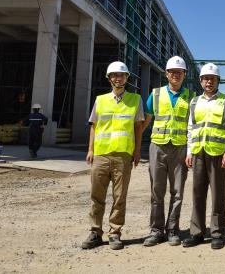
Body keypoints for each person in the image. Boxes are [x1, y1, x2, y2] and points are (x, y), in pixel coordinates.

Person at [81, 61, 144, 251]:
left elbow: (138, 127)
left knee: (119, 197)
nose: (118, 78)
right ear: (109, 78)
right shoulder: (100, 100)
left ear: (126, 78)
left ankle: (115, 232)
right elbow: (94, 126)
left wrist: (137, 151)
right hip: (101, 155)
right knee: (96, 195)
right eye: (114, 75)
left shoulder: (135, 99)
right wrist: (90, 149)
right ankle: (95, 231)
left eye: (122, 75)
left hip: (123, 156)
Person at [182, 63, 225, 250]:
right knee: (197, 193)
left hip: (217, 153)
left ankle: (217, 233)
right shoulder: (194, 102)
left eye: (212, 79)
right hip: (198, 152)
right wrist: (189, 151)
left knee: (217, 194)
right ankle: (196, 232)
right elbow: (191, 128)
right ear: (201, 81)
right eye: (205, 78)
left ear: (218, 81)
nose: (209, 82)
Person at [143, 56, 195, 247]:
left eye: (179, 72)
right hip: (158, 146)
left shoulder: (191, 97)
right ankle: (156, 230)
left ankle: (172, 229)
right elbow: (146, 121)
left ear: (184, 75)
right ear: (166, 74)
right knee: (157, 191)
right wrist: (135, 144)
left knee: (177, 192)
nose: (175, 75)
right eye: (172, 72)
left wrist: (191, 151)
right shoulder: (156, 95)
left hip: (180, 148)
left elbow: (193, 125)